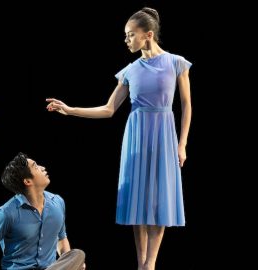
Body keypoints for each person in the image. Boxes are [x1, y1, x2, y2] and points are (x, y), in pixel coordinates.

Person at [46, 7, 192, 270]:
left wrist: (182, 144)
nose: (126, 40)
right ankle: (141, 263)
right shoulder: (130, 70)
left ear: (147, 35)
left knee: (160, 199)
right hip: (136, 135)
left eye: (130, 35)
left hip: (163, 134)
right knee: (138, 200)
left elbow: (186, 105)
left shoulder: (176, 63)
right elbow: (108, 109)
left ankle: (151, 263)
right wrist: (69, 110)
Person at [0, 152, 86, 270]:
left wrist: (70, 265)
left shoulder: (58, 202)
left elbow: (61, 238)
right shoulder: (6, 213)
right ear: (28, 181)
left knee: (77, 255)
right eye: (36, 166)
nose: (42, 168)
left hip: (49, 268)